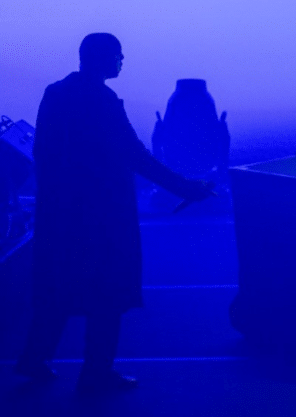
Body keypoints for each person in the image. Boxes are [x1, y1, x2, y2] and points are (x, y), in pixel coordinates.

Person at [13, 33, 213, 389]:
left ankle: (33, 358)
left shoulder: (54, 93)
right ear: (104, 58)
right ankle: (96, 373)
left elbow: (43, 153)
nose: (123, 60)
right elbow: (136, 156)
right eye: (119, 55)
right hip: (101, 217)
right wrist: (185, 188)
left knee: (57, 289)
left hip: (59, 213)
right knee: (107, 293)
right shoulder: (103, 101)